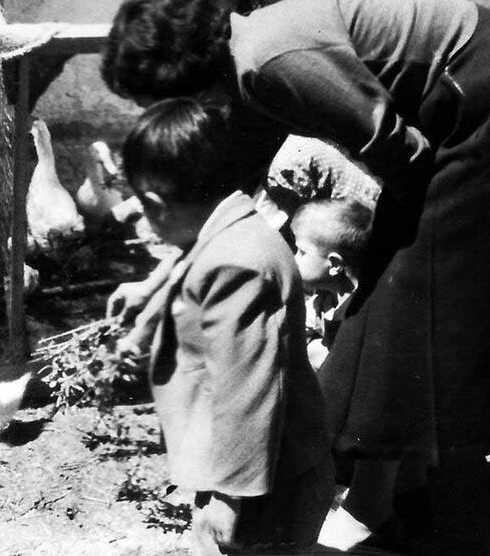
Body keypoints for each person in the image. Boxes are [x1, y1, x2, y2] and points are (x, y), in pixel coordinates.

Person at [101, 0, 490, 548]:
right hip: (468, 112)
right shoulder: (247, 64)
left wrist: (388, 255)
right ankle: (404, 471)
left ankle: (372, 502)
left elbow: (404, 154)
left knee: (399, 306)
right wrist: (165, 274)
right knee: (396, 306)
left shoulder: (270, 60)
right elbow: (226, 192)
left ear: (185, 79)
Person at [116, 97, 333, 554]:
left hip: (264, 481)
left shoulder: (237, 266)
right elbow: (190, 255)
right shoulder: (230, 222)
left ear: (156, 204)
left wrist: (228, 496)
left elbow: (246, 390)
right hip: (257, 464)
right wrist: (150, 295)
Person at [289, 198, 373, 371]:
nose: (293, 259)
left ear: (334, 264)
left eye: (302, 252)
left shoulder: (357, 316)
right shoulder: (325, 296)